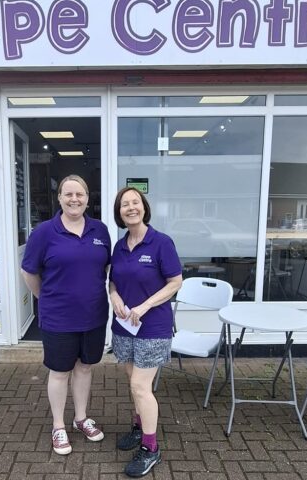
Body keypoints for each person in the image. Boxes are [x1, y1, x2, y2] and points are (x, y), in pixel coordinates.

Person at [21, 174, 111, 455]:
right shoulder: (44, 233)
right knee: (60, 371)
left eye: (80, 194)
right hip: (58, 317)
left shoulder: (100, 230)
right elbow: (29, 272)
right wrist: (46, 298)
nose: (74, 199)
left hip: (94, 315)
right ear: (59, 198)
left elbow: (104, 269)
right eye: (68, 194)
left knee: (85, 367)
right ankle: (58, 426)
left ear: (87, 198)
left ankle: (81, 418)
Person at [109, 187, 183, 477]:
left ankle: (151, 448)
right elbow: (113, 282)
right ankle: (139, 428)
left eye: (135, 202)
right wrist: (113, 295)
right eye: (124, 204)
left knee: (141, 386)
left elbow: (175, 282)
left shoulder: (161, 243)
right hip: (124, 326)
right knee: (133, 383)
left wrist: (145, 305)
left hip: (153, 327)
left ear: (144, 207)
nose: (130, 208)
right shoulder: (119, 246)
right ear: (119, 212)